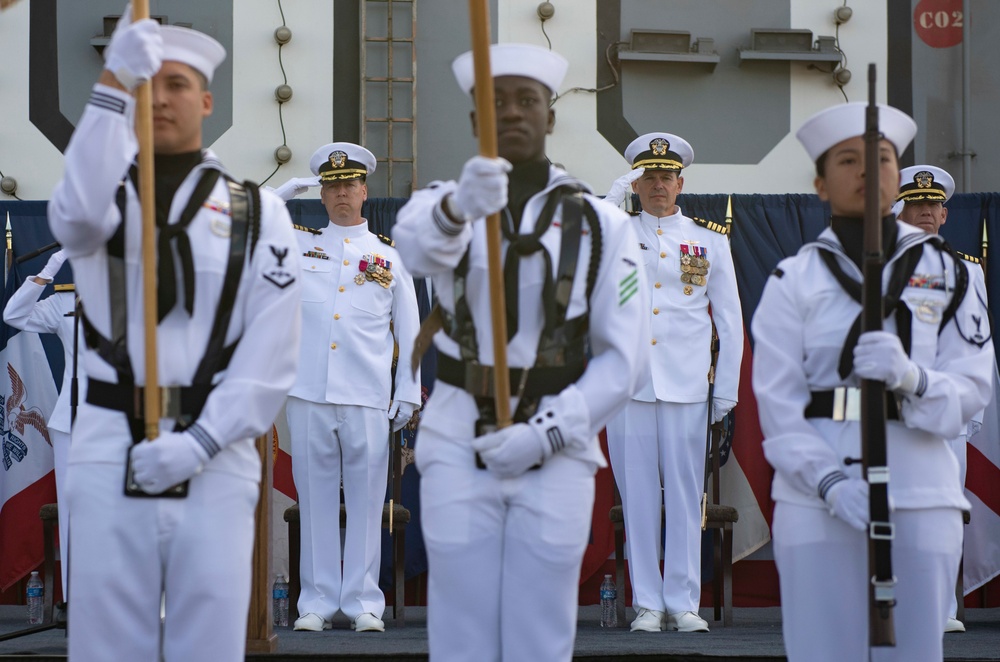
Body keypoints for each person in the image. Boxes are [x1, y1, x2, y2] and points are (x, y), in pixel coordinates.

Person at [47, 10, 301, 661]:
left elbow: (271, 349)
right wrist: (110, 81)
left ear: (207, 101)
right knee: (106, 645)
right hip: (109, 447)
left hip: (215, 457)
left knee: (208, 643)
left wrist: (203, 441)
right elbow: (73, 214)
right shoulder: (103, 198)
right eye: (146, 84)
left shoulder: (256, 210)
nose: (159, 97)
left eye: (178, 83)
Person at [393, 43, 648, 662]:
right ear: (477, 119)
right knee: (460, 629)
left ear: (551, 116)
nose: (512, 112)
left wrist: (550, 432)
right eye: (495, 101)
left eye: (527, 100)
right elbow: (416, 250)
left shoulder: (603, 225)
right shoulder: (441, 205)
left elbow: (625, 358)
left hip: (557, 445)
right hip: (459, 437)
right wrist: (460, 207)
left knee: (540, 629)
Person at [751, 102, 993, 661]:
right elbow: (779, 404)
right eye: (848, 160)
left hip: (920, 497)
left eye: (882, 159)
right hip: (816, 503)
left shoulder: (951, 273)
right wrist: (828, 482)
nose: (867, 172)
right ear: (820, 182)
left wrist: (913, 379)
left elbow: (972, 387)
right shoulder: (794, 280)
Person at [603, 133, 743, 633]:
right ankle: (648, 603)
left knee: (685, 497)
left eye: (666, 177)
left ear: (681, 182)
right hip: (629, 387)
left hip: (687, 387)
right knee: (637, 497)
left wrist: (724, 389)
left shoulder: (709, 240)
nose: (658, 185)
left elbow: (730, 321)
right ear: (636, 183)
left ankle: (684, 601)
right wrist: (609, 197)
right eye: (648, 177)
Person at [288, 141, 421, 634]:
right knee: (316, 498)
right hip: (308, 393)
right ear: (321, 196)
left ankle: (365, 600)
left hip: (367, 395)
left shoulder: (389, 257)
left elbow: (409, 331)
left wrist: (407, 390)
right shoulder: (299, 246)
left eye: (349, 185)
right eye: (331, 187)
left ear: (365, 190)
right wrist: (283, 192)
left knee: (368, 501)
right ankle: (317, 601)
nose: (342, 194)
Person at [893, 164, 989, 634]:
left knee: (943, 511)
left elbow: (978, 347)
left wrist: (969, 416)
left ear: (945, 215)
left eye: (932, 205)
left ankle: (940, 608)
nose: (925, 212)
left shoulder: (968, 270)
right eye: (916, 204)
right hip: (890, 412)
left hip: (946, 410)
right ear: (900, 210)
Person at [3, 249, 83, 597]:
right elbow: (14, 314)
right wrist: (50, 268)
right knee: (71, 509)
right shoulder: (63, 300)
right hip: (72, 420)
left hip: (124, 421)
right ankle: (76, 597)